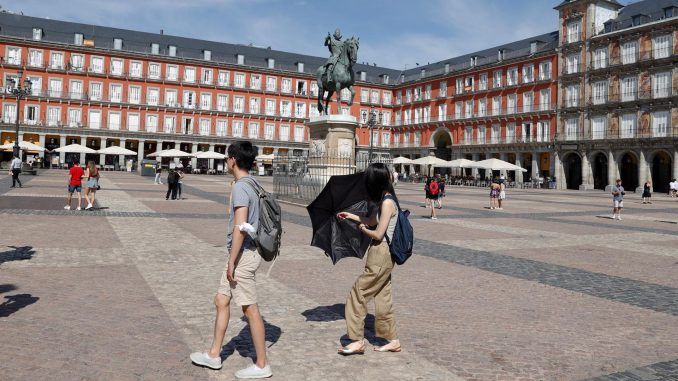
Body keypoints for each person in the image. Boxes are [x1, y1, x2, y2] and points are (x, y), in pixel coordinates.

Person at [190, 141, 272, 379]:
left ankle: (262, 364)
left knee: (249, 308)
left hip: (243, 254)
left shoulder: (241, 188)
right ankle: (214, 354)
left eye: (227, 158)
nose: (226, 161)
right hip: (244, 253)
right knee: (221, 300)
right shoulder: (252, 184)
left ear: (234, 160)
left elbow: (241, 227)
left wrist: (231, 261)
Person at [336, 163, 401, 355]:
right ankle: (393, 339)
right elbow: (372, 220)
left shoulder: (388, 203)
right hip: (381, 255)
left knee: (358, 293)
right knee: (383, 296)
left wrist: (364, 230)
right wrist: (352, 217)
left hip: (381, 254)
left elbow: (378, 233)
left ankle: (356, 340)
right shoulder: (384, 200)